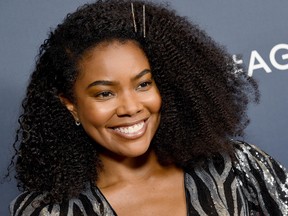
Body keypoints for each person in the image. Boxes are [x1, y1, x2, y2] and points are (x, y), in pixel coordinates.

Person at [9, 0, 288, 215]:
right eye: (105, 93)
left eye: (143, 85)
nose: (131, 107)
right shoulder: (50, 211)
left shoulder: (237, 167)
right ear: (70, 104)